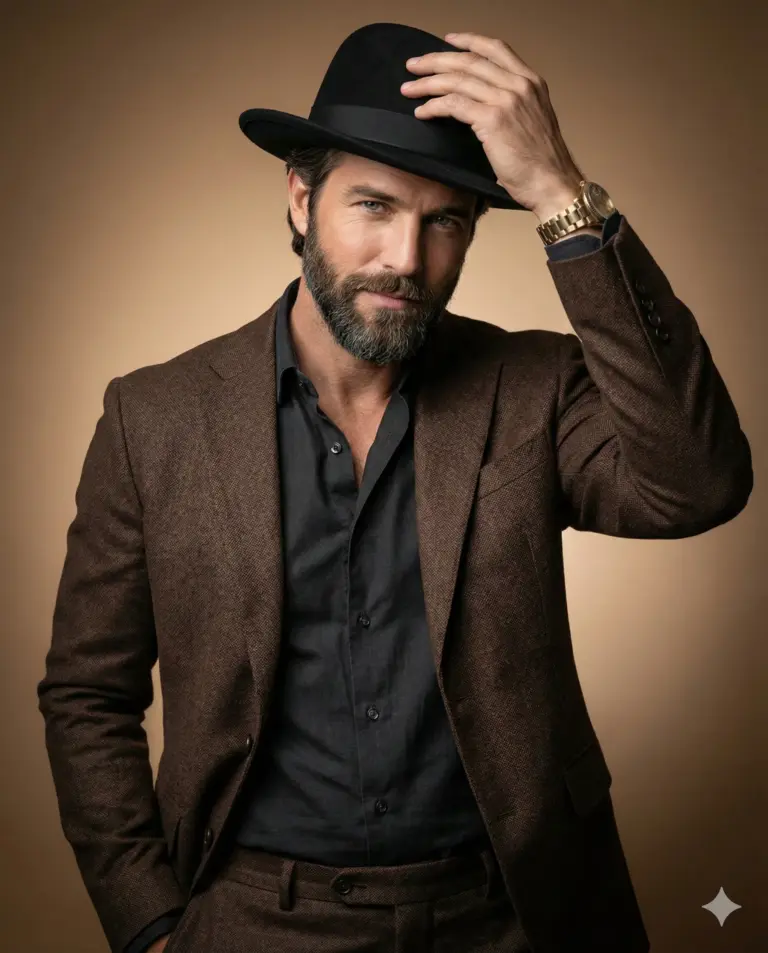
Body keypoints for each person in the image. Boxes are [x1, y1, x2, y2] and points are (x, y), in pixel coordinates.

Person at [37, 21, 752, 953]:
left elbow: (698, 481)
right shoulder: (153, 418)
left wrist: (561, 192)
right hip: (255, 918)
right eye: (373, 206)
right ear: (301, 199)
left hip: (513, 915)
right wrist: (152, 923)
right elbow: (88, 693)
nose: (407, 260)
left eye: (445, 219)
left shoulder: (534, 389)